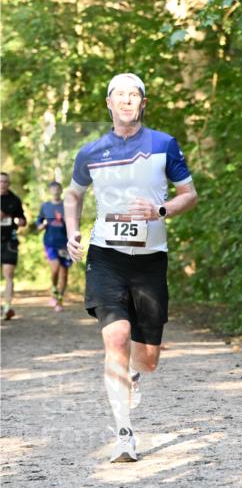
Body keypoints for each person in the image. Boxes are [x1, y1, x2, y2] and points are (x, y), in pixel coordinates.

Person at [64, 73, 197, 463]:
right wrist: (74, 233)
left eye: (133, 95)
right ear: (108, 103)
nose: (126, 100)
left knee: (148, 358)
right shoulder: (90, 152)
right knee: (116, 338)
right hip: (106, 256)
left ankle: (135, 376)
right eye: (119, 95)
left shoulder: (163, 144)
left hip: (151, 259)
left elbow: (189, 195)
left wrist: (161, 210)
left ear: (142, 102)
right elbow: (73, 195)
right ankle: (124, 433)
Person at [36, 181, 71, 311]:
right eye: (53, 189)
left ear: (61, 190)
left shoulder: (67, 206)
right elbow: (38, 222)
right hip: (50, 242)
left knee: (64, 273)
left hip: (65, 243)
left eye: (58, 189)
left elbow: (74, 222)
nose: (56, 191)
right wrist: (41, 226)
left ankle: (59, 300)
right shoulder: (45, 206)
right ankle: (54, 289)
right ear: (49, 191)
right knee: (55, 268)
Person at [1, 171, 27, 320]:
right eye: (0, 181)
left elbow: (22, 218)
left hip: (9, 241)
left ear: (8, 183)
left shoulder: (14, 200)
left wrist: (19, 220)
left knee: (8, 274)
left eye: (5, 181)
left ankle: (7, 307)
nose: (2, 184)